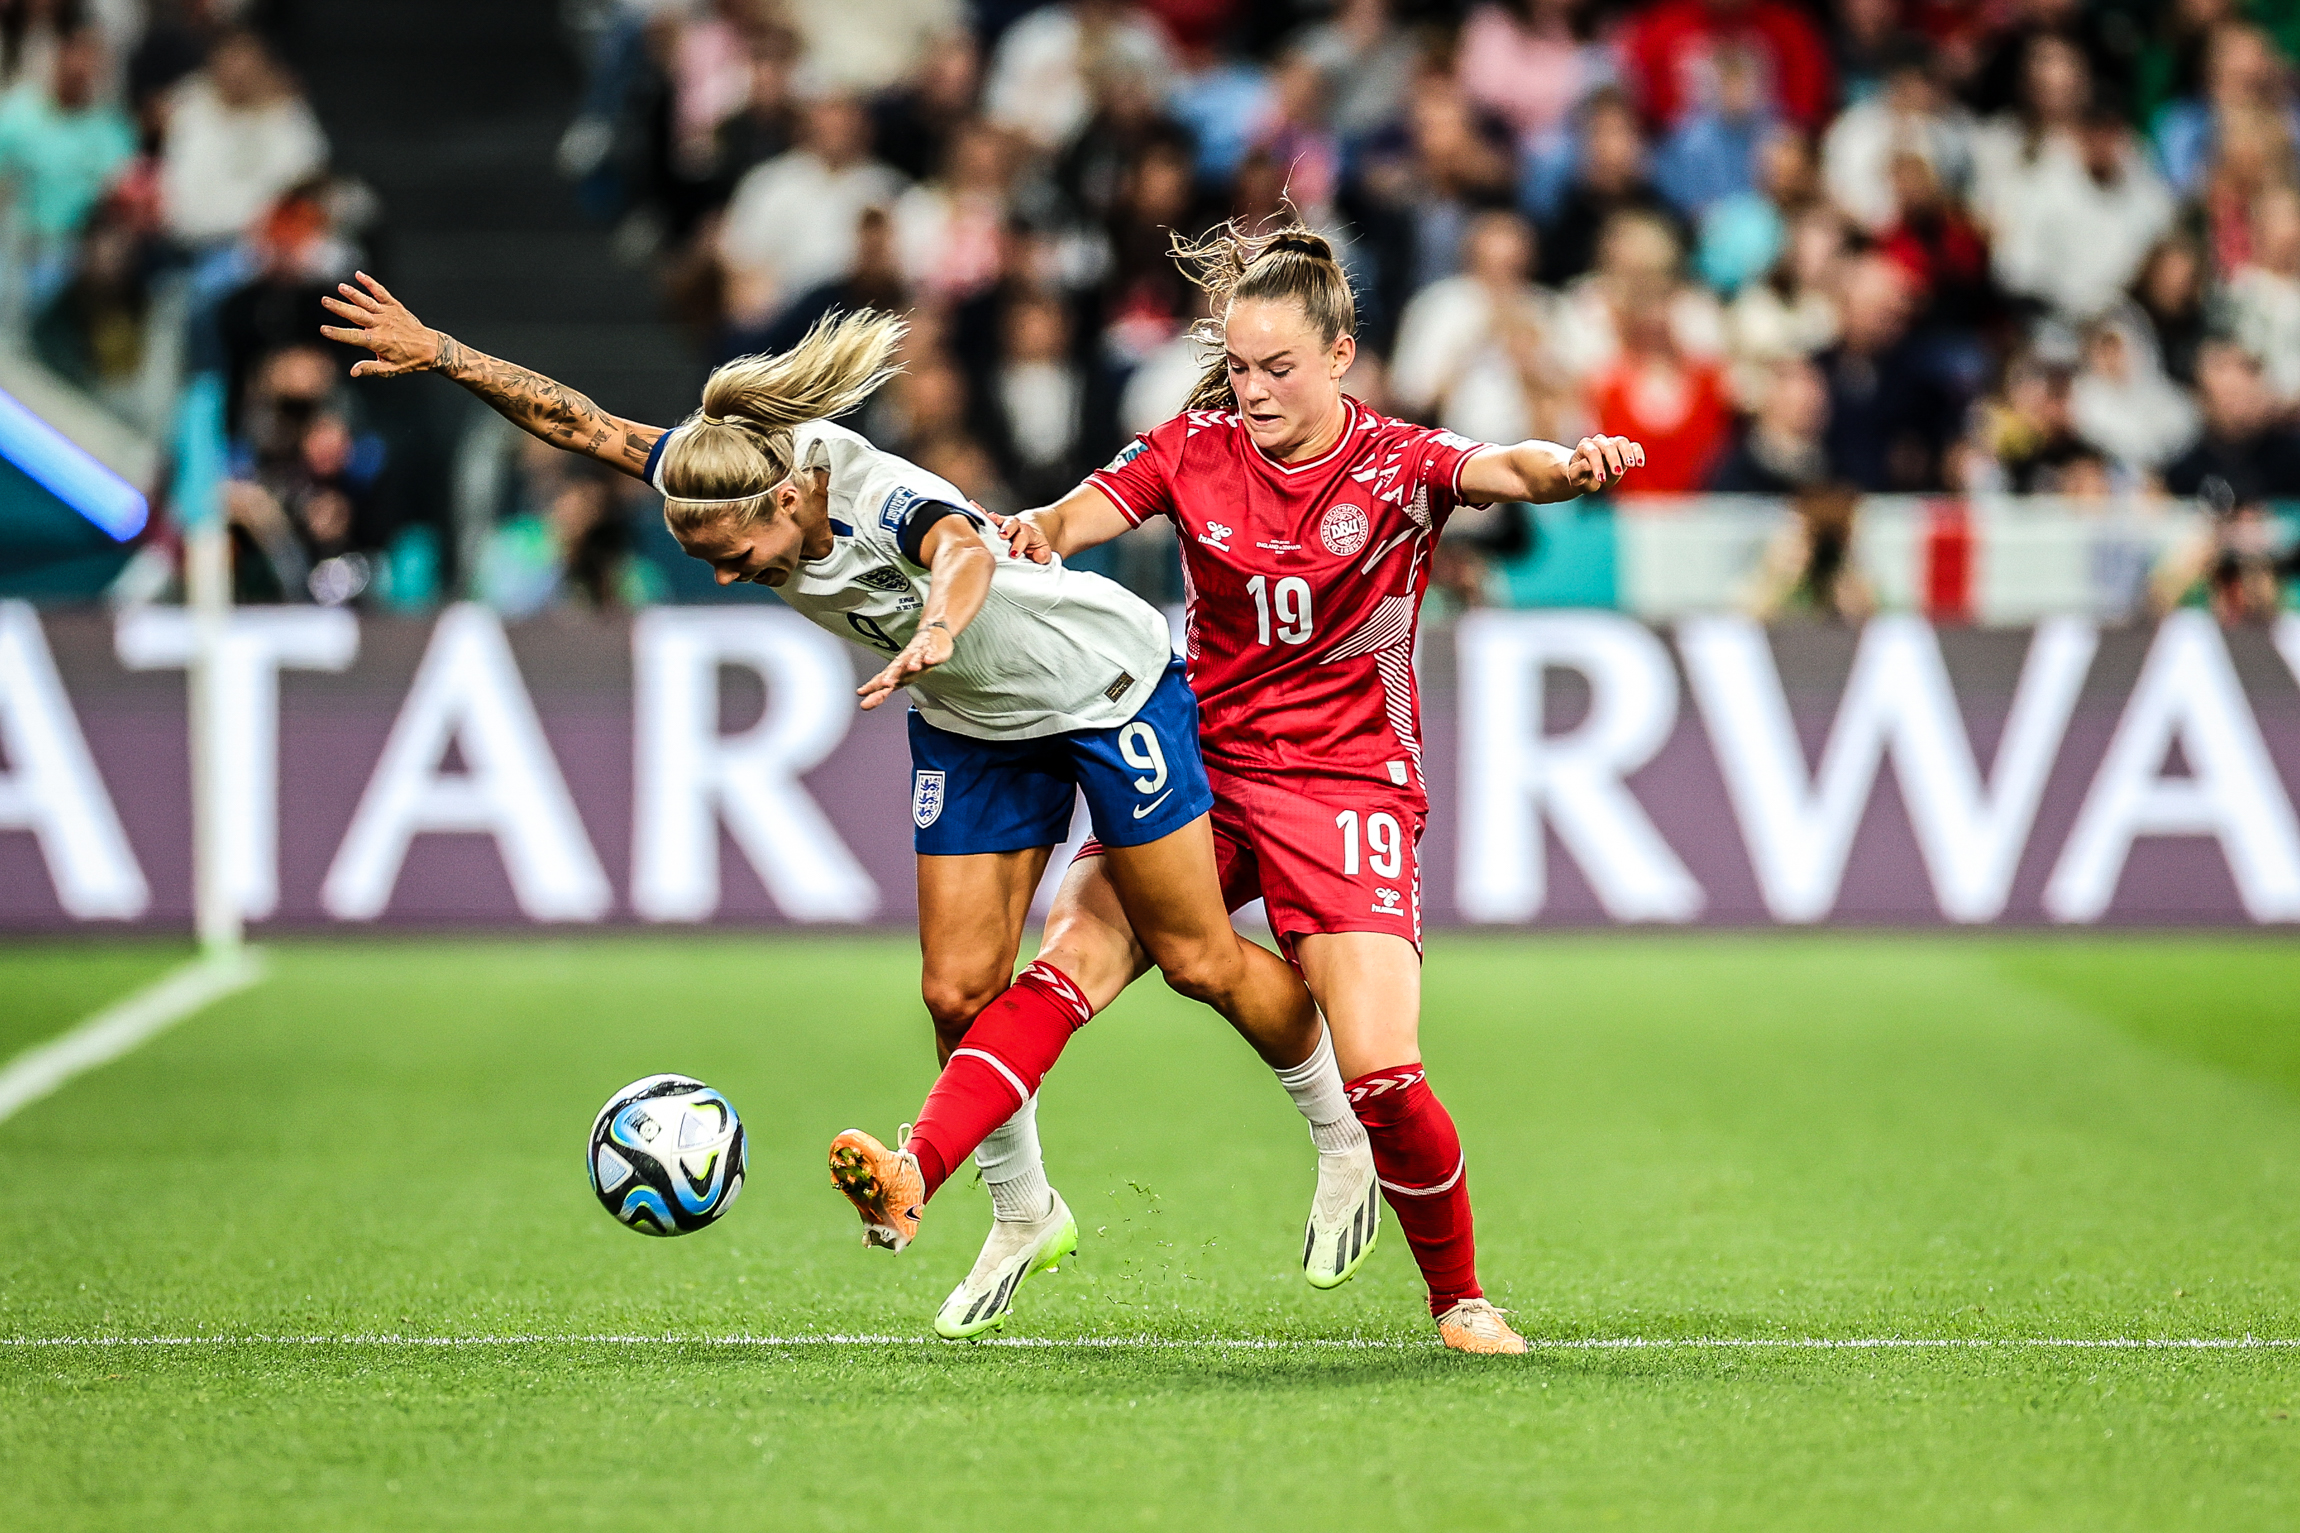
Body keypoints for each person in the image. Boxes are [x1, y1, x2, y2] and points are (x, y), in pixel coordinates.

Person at [320, 274, 1375, 1343]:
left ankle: (1341, 1139)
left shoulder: (870, 495)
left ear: (789, 504)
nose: (732, 582)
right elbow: (583, 424)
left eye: (734, 561)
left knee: (1196, 959)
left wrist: (939, 632)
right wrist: (449, 354)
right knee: (956, 988)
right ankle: (1024, 1213)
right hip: (972, 721)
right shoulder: (719, 471)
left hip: (1103, 689)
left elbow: (962, 548)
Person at [991, 218, 1647, 1353]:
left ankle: (1459, 1299)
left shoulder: (1398, 462)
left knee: (1388, 1077)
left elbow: (1501, 468)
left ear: (1340, 356)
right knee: (1066, 957)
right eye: (1238, 367)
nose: (1249, 390)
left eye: (1277, 368)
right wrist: (1031, 534)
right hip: (1204, 774)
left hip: (1348, 790)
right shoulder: (1188, 447)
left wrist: (1563, 466)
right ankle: (996, 1195)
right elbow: (1074, 517)